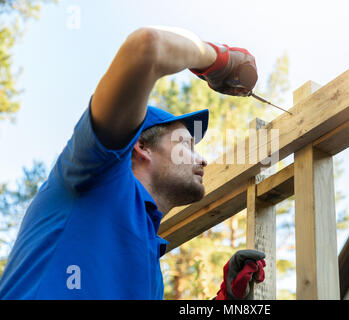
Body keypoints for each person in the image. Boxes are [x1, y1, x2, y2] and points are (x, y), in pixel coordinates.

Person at [0, 26, 265, 299]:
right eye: (186, 145)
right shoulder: (95, 174)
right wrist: (219, 60)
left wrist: (226, 301)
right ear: (141, 147)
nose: (203, 159)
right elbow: (147, 46)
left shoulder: (149, 263)